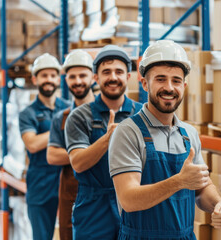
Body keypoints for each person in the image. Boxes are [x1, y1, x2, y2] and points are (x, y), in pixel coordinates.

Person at [109, 40, 221, 240]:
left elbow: (201, 188)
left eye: (176, 80)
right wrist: (179, 181)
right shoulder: (128, 133)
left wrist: (218, 204)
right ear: (145, 83)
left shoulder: (189, 134)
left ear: (184, 85)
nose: (169, 87)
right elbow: (128, 199)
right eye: (161, 79)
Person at [64, 45, 143, 240]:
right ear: (96, 78)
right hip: (93, 208)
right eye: (106, 72)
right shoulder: (79, 116)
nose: (113, 77)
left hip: (135, 204)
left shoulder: (143, 115)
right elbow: (78, 163)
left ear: (128, 77)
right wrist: (107, 139)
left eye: (119, 72)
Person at [19, 53, 70, 240]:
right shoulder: (28, 113)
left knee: (70, 233)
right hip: (40, 185)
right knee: (42, 236)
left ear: (58, 78)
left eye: (52, 75)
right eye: (43, 75)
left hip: (67, 180)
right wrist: (58, 129)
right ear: (35, 79)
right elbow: (32, 144)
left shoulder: (69, 108)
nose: (48, 79)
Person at [47, 49, 95, 240]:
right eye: (72, 76)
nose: (77, 81)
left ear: (93, 77)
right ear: (66, 80)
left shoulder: (107, 113)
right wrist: (86, 153)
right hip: (72, 192)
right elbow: (52, 156)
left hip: (103, 194)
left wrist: (73, 153)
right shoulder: (62, 117)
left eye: (83, 75)